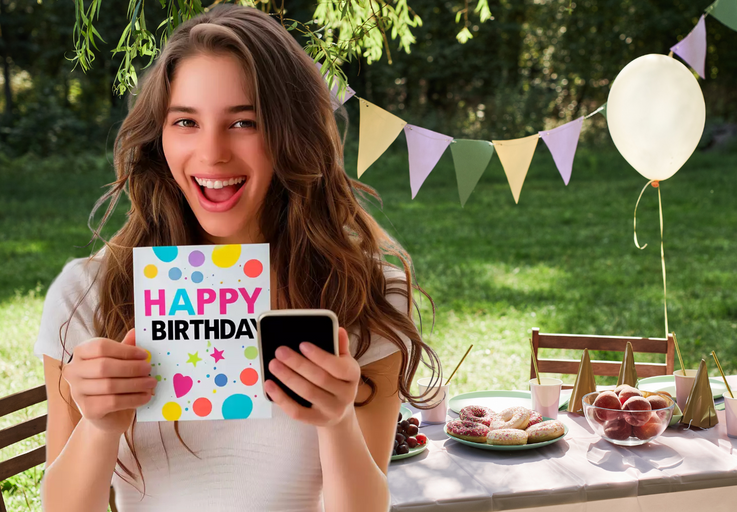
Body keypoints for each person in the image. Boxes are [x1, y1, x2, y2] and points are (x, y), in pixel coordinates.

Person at [33, 5, 439, 511]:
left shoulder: (365, 292)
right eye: (186, 121)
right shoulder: (87, 295)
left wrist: (336, 424)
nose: (212, 153)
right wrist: (98, 428)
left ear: (293, 136)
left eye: (243, 122)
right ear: (159, 138)